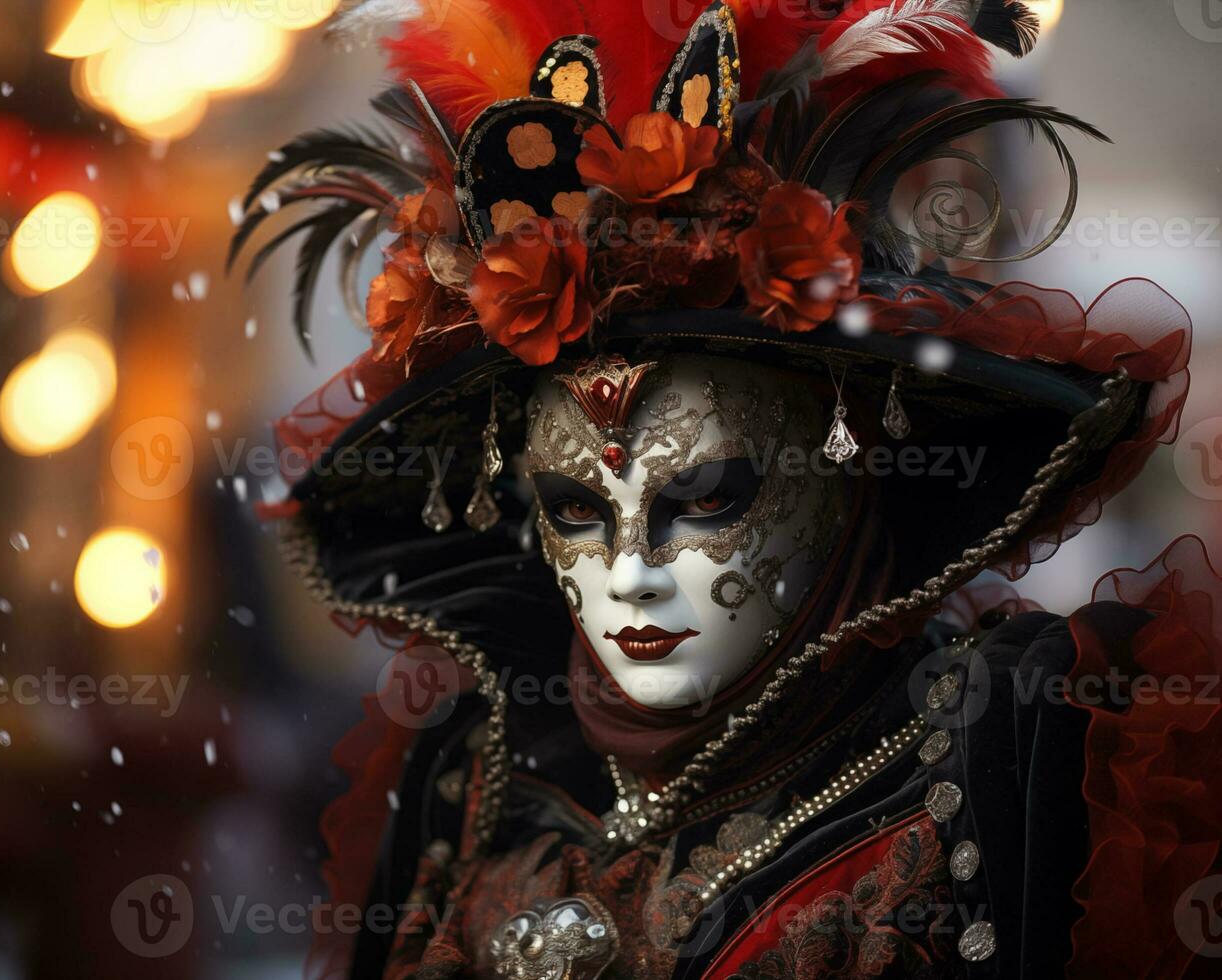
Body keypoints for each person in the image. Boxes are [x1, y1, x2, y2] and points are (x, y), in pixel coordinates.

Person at [236, 2, 1216, 977]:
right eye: (574, 509)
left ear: (851, 456)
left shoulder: (1025, 749)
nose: (630, 576)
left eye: (704, 497)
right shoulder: (479, 779)